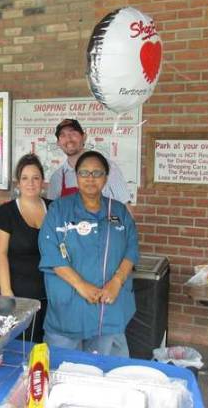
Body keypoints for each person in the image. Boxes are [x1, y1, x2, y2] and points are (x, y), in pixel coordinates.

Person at [39, 150, 139, 356]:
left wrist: (116, 282)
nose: (90, 179)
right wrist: (81, 285)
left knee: (106, 375)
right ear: (77, 177)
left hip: (108, 307)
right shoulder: (58, 210)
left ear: (106, 178)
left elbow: (132, 248)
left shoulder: (119, 211)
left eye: (97, 173)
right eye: (84, 173)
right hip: (68, 309)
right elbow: (51, 254)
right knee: (63, 372)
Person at [0, 154, 51, 342]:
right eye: (25, 178)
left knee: (47, 348)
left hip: (51, 295)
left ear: (43, 181)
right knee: (23, 348)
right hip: (20, 298)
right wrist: (7, 293)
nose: (31, 183)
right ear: (18, 183)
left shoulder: (54, 209)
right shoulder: (6, 213)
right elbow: (0, 255)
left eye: (36, 178)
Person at [47, 118, 132, 204]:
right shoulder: (56, 178)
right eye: (63, 135)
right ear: (58, 143)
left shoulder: (108, 167)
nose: (68, 139)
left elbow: (126, 208)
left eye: (73, 133)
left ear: (84, 137)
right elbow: (52, 212)